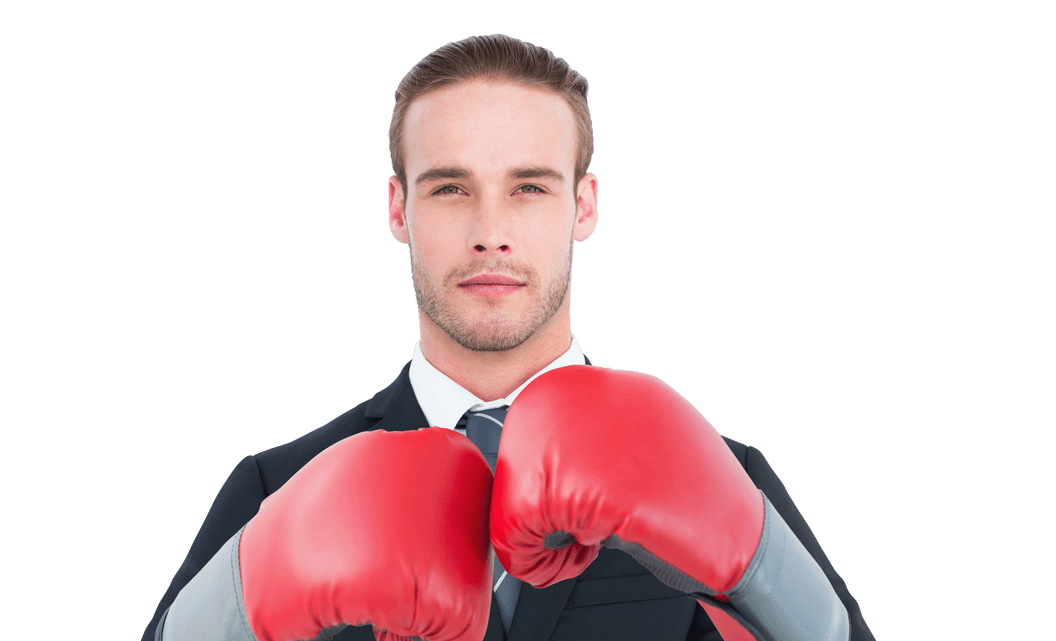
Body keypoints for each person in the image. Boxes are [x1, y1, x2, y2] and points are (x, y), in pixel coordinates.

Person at [142, 34, 876, 641]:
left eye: (529, 187)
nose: (490, 234)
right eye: (450, 188)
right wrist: (229, 612)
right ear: (399, 209)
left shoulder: (719, 471)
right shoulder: (281, 486)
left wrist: (771, 581)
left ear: (583, 206)